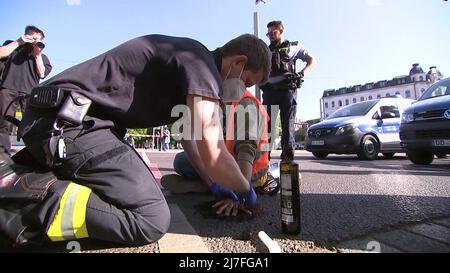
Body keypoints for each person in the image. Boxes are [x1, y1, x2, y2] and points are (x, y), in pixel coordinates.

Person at [0, 33, 271, 247]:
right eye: (246, 81)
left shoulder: (188, 67)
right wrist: (246, 193)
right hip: (68, 122)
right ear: (238, 62)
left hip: (68, 120)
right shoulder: (202, 65)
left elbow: (192, 142)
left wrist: (215, 184)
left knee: (130, 189)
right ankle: (23, 196)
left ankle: (29, 170)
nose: (243, 90)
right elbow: (212, 149)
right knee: (151, 218)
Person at [162, 85, 280, 217]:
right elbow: (187, 137)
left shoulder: (247, 103)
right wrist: (213, 184)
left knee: (184, 163)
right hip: (227, 164)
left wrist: (239, 191)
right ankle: (213, 185)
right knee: (181, 161)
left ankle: (207, 186)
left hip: (250, 171)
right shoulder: (212, 100)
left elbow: (246, 151)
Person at [260, 20, 316, 161]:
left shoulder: (295, 47)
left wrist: (302, 74)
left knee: (288, 127)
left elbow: (312, 60)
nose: (271, 36)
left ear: (281, 30)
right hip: (270, 92)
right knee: (266, 129)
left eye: (273, 33)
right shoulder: (265, 51)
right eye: (268, 34)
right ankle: (263, 164)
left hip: (287, 92)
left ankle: (287, 164)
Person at [0, 26, 52, 155]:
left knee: (32, 126)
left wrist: (37, 55)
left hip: (30, 93)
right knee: (3, 123)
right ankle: (2, 155)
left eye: (37, 39)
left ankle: (35, 155)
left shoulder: (42, 57)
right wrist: (18, 42)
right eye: (31, 37)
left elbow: (42, 74)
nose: (33, 41)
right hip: (8, 88)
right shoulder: (12, 46)